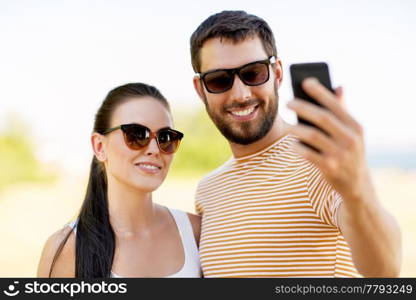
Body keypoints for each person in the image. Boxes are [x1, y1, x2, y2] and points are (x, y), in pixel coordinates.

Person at [190, 10, 401, 277]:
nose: (240, 94)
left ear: (277, 73)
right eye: (219, 80)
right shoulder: (207, 191)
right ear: (200, 89)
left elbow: (384, 271)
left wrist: (357, 192)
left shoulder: (318, 161)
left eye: (253, 73)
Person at [37, 83, 201, 278]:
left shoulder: (196, 233)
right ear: (99, 147)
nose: (154, 149)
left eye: (165, 137)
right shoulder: (66, 249)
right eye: (137, 134)